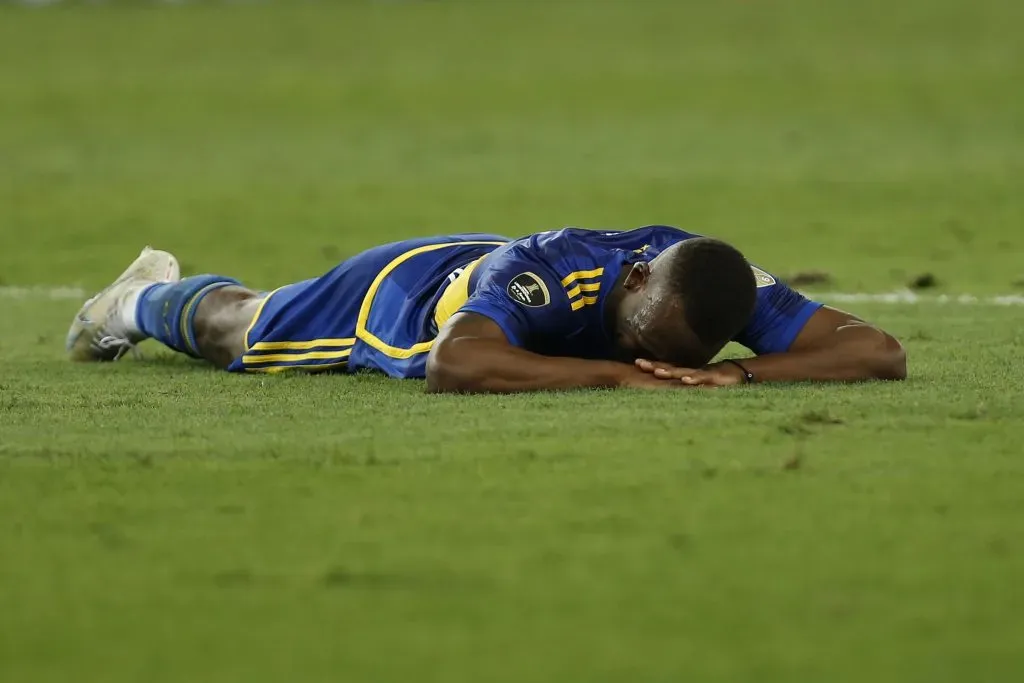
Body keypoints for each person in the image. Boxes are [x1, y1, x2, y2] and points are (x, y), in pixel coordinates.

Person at [66, 226, 906, 393]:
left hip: (476, 284)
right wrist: (622, 374)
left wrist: (741, 372)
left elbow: (878, 350)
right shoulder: (548, 278)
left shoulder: (722, 284)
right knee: (239, 333)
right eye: (633, 333)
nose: (642, 349)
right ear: (633, 280)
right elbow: (455, 363)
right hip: (405, 296)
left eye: (671, 353)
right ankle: (136, 299)